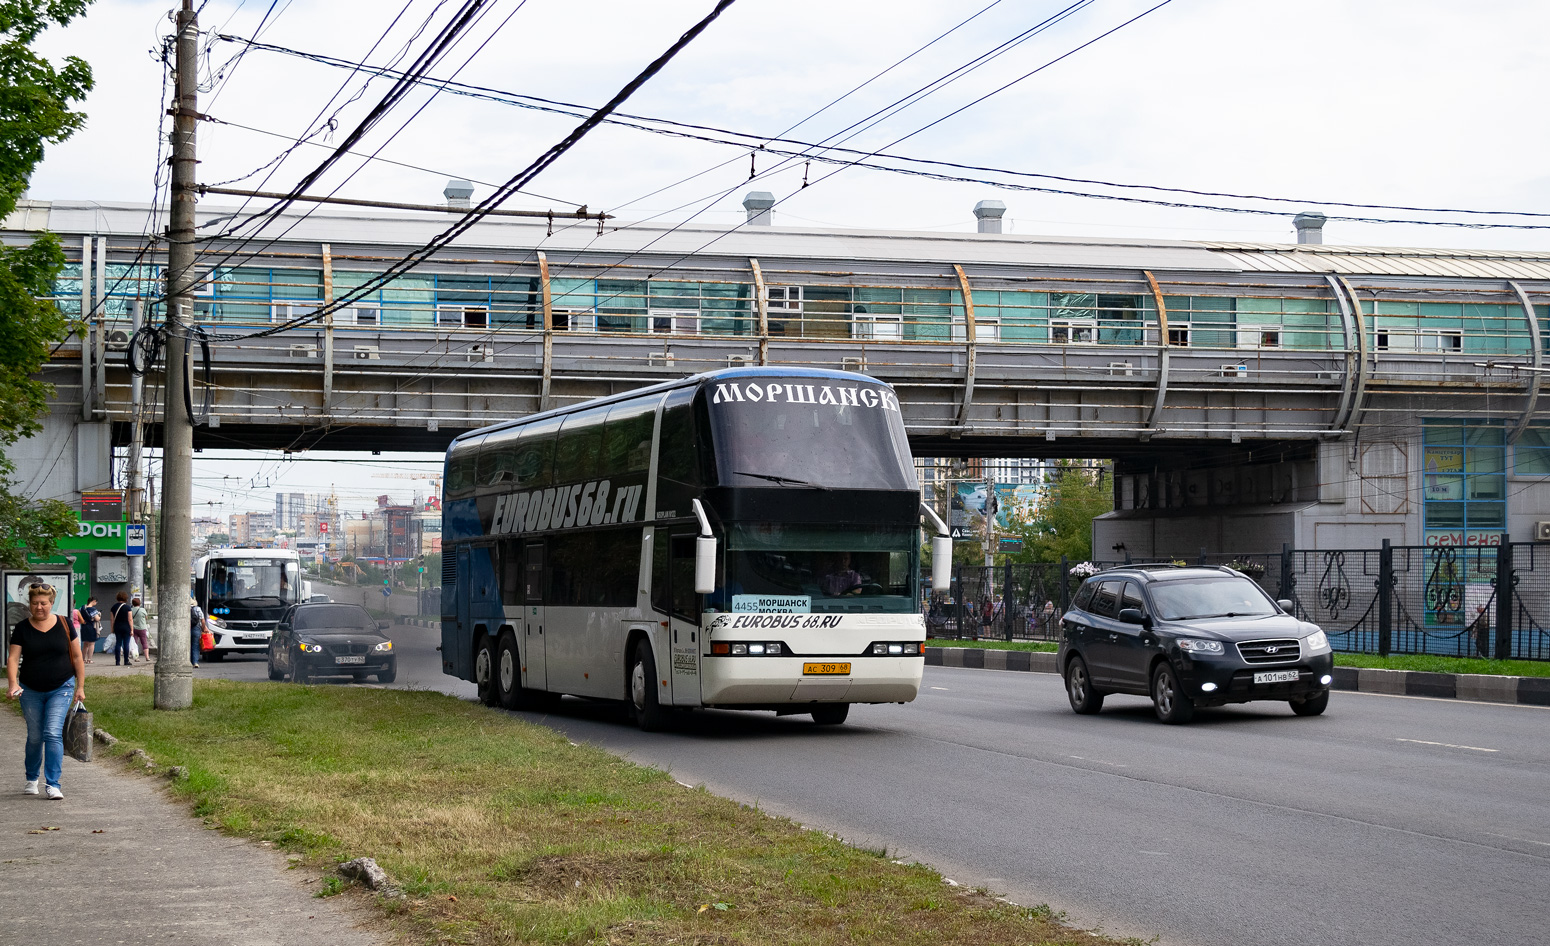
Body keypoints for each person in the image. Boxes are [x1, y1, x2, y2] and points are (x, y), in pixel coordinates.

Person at [6, 582, 85, 800]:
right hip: (30, 689)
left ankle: (53, 784)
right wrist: (13, 684)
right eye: (34, 603)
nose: (39, 607)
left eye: (43, 603)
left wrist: (80, 687)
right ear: (29, 604)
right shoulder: (22, 628)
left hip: (62, 687)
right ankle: (32, 778)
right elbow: (13, 658)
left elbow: (77, 657)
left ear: (52, 603)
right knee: (34, 737)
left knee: (52, 733)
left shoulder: (65, 624)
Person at [110, 591, 133, 666]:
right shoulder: (127, 607)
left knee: (118, 643)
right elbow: (130, 619)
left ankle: (117, 661)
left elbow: (112, 620)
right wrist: (132, 629)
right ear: (126, 598)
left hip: (117, 627)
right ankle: (126, 661)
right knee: (126, 644)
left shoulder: (113, 607)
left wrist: (112, 628)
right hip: (126, 627)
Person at [79, 596, 100, 664]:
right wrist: (100, 615)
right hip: (91, 627)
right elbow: (97, 619)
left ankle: (83, 659)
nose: (96, 603)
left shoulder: (82, 608)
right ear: (93, 601)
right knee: (91, 644)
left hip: (84, 627)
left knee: (85, 644)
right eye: (96, 602)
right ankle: (89, 659)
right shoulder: (93, 609)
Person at [188, 594, 207, 668]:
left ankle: (188, 661)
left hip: (187, 629)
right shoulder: (198, 609)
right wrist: (204, 628)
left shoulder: (184, 609)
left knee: (187, 646)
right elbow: (202, 620)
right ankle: (195, 662)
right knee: (195, 646)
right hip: (196, 628)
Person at [130, 597, 150, 662]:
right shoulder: (142, 610)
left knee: (134, 643)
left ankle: (136, 658)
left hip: (134, 629)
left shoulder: (130, 610)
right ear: (139, 603)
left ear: (132, 603)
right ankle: (147, 657)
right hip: (142, 628)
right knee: (144, 642)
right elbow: (146, 617)